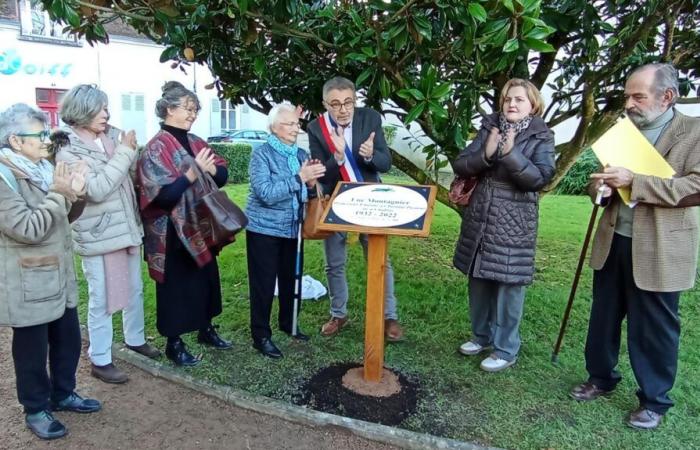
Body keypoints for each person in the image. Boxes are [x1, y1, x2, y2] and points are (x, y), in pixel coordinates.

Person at [570, 63, 700, 430]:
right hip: (614, 240)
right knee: (603, 317)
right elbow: (599, 184)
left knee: (654, 327)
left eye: (638, 96)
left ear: (667, 96)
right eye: (627, 95)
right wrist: (601, 189)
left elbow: (695, 188)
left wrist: (635, 180)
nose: (629, 103)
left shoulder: (694, 132)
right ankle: (601, 378)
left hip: (662, 248)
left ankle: (655, 401)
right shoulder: (623, 133)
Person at [0, 104, 101, 440]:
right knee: (31, 350)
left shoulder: (43, 168)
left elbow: (63, 216)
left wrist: (78, 193)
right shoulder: (4, 177)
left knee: (68, 340)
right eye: (39, 134)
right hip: (28, 281)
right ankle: (35, 407)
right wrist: (59, 193)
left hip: (58, 275)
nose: (47, 140)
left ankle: (63, 393)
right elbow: (28, 228)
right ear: (15, 140)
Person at [55, 84, 160, 384]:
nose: (107, 114)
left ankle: (135, 339)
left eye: (106, 108)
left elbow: (125, 178)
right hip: (97, 234)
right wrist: (126, 153)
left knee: (135, 288)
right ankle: (100, 359)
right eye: (100, 108)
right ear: (82, 111)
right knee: (102, 297)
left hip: (126, 227)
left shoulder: (111, 137)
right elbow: (97, 190)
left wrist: (128, 154)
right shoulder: (66, 148)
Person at [453, 78, 555, 372]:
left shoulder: (541, 136)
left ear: (532, 104)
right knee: (479, 279)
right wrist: (485, 153)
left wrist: (510, 154)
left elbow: (539, 178)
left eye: (519, 100)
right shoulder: (490, 126)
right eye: (508, 99)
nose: (512, 104)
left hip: (514, 222)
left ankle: (505, 349)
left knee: (509, 287)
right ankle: (481, 337)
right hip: (482, 217)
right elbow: (462, 164)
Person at [137, 81, 233, 367]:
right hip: (171, 232)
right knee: (175, 289)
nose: (193, 114)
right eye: (188, 108)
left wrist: (212, 169)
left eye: (195, 109)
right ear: (169, 109)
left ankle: (206, 329)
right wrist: (193, 173)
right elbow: (161, 197)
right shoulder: (155, 149)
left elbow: (222, 176)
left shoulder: (196, 142)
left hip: (201, 225)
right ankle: (174, 343)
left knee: (206, 281)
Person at [307, 76, 404, 341]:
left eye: (348, 102)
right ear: (325, 104)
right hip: (336, 200)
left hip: (369, 198)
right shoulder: (316, 128)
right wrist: (336, 158)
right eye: (335, 104)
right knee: (334, 262)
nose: (342, 109)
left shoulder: (370, 118)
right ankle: (339, 313)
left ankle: (388, 316)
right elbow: (322, 175)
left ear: (355, 100)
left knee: (380, 259)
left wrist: (370, 154)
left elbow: (385, 164)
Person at [245, 103, 325, 358]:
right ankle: (261, 335)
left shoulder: (300, 155)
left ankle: (288, 323)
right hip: (264, 230)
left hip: (293, 229)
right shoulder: (262, 154)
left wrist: (311, 184)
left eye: (296, 123)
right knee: (264, 285)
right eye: (289, 124)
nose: (295, 128)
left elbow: (307, 193)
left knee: (292, 280)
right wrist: (299, 178)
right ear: (273, 127)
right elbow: (266, 194)